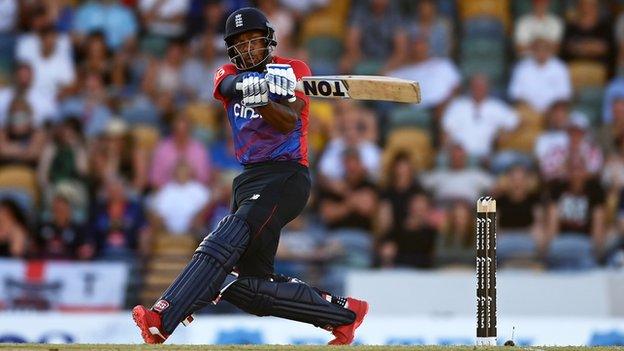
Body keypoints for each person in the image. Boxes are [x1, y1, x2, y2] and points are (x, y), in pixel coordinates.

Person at [131, 8, 368, 345]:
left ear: (267, 40)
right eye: (239, 43)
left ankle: (162, 318)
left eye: (253, 40)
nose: (247, 48)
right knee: (247, 286)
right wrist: (249, 84)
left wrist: (266, 99)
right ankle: (345, 315)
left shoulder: (294, 70)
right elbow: (227, 84)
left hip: (286, 176)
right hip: (248, 181)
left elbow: (288, 121)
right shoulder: (226, 73)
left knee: (228, 233)